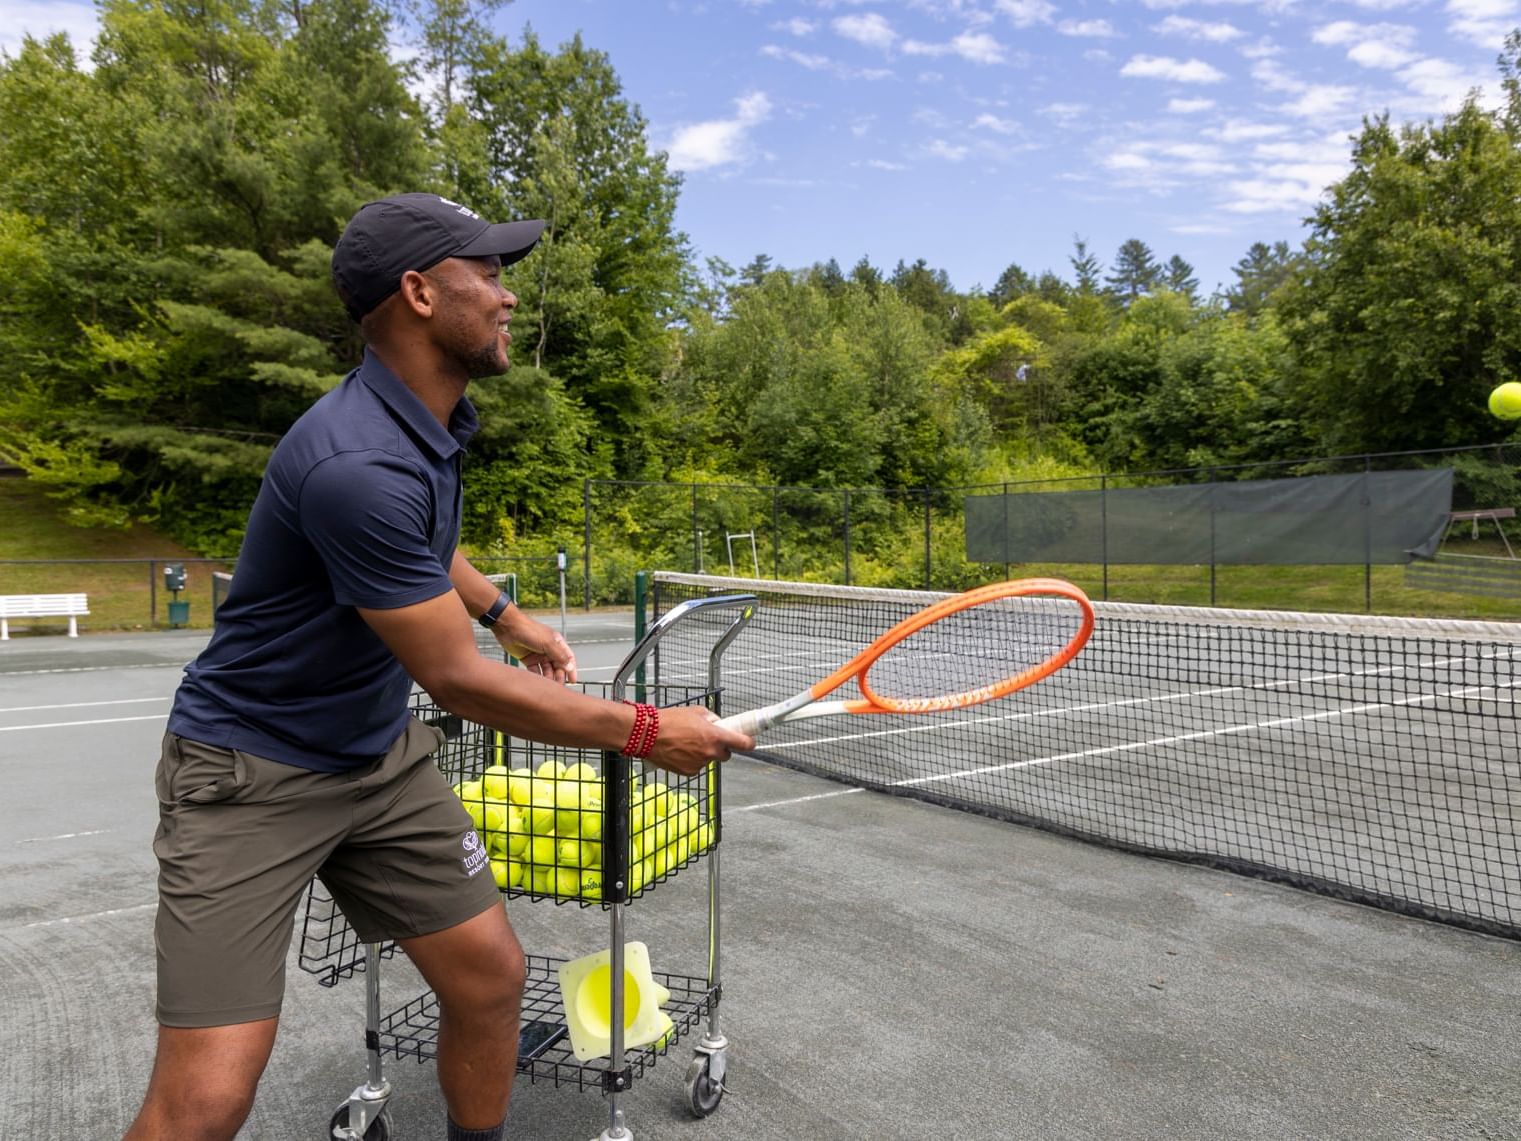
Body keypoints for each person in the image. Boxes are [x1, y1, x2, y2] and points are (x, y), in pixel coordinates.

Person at [124, 192, 754, 1141]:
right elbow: (456, 682)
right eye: (490, 274)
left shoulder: (422, 423)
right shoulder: (357, 462)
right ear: (419, 293)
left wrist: (505, 612)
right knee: (207, 1098)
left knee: (490, 977)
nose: (507, 297)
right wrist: (650, 731)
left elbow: (420, 551)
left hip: (377, 761)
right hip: (250, 775)